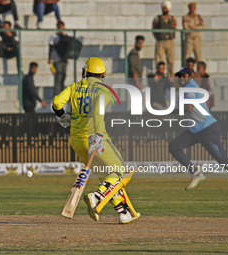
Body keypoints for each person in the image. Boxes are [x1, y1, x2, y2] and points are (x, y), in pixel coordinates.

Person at [52, 57, 141, 224]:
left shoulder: (74, 87)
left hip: (77, 140)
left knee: (107, 176)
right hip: (95, 137)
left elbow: (56, 102)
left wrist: (62, 116)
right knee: (123, 171)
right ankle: (97, 196)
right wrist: (98, 136)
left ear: (85, 72)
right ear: (102, 74)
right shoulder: (104, 89)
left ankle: (123, 212)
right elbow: (98, 113)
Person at [168, 67, 228, 190]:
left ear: (191, 75)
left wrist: (170, 111)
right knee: (174, 146)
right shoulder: (186, 89)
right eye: (180, 76)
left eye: (184, 76)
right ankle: (196, 174)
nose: (182, 78)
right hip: (195, 130)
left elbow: (188, 107)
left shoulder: (191, 88)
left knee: (224, 161)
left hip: (207, 130)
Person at [152, 0, 176, 78]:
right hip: (160, 41)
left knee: (170, 60)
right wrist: (158, 37)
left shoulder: (172, 18)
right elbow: (154, 29)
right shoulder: (157, 18)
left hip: (170, 41)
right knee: (159, 59)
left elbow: (174, 28)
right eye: (163, 8)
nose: (164, 9)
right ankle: (160, 76)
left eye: (166, 8)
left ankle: (170, 77)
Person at [48, 20, 68, 96]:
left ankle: (62, 93)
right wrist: (50, 59)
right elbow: (51, 48)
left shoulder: (66, 36)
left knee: (63, 77)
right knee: (58, 78)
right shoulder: (54, 36)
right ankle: (57, 95)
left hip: (64, 60)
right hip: (57, 60)